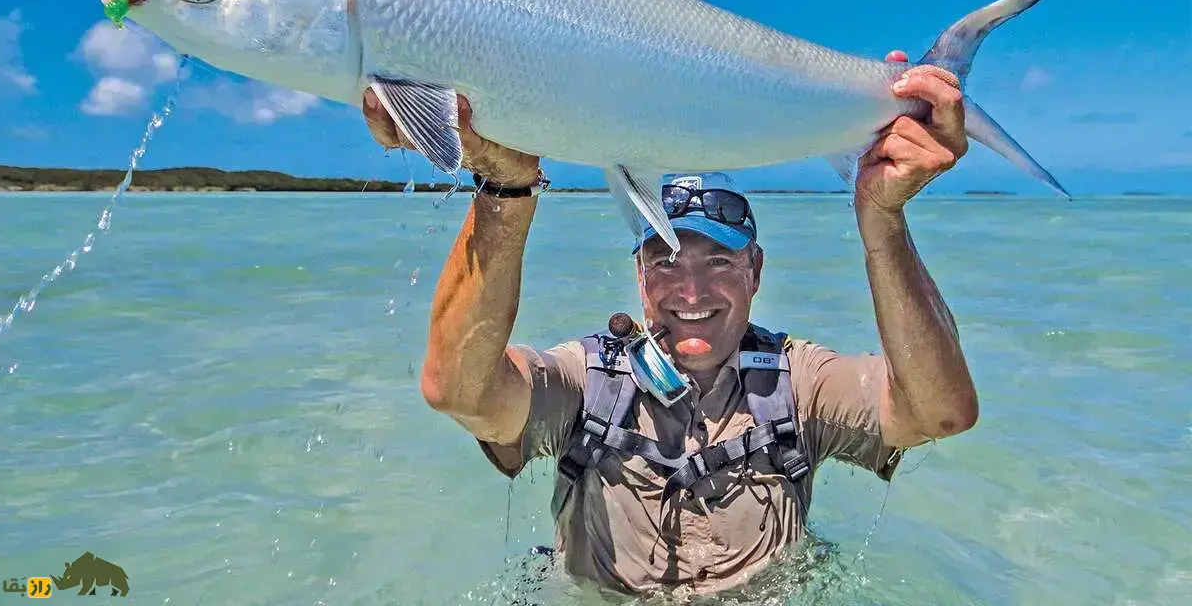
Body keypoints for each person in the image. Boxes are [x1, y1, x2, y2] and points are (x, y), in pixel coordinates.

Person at [362, 50, 979, 599]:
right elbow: (458, 390)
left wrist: (882, 219)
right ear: (639, 276)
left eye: (718, 262)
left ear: (755, 272)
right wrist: (506, 187)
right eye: (665, 260)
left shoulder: (799, 382)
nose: (691, 290)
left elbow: (937, 413)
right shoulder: (589, 381)